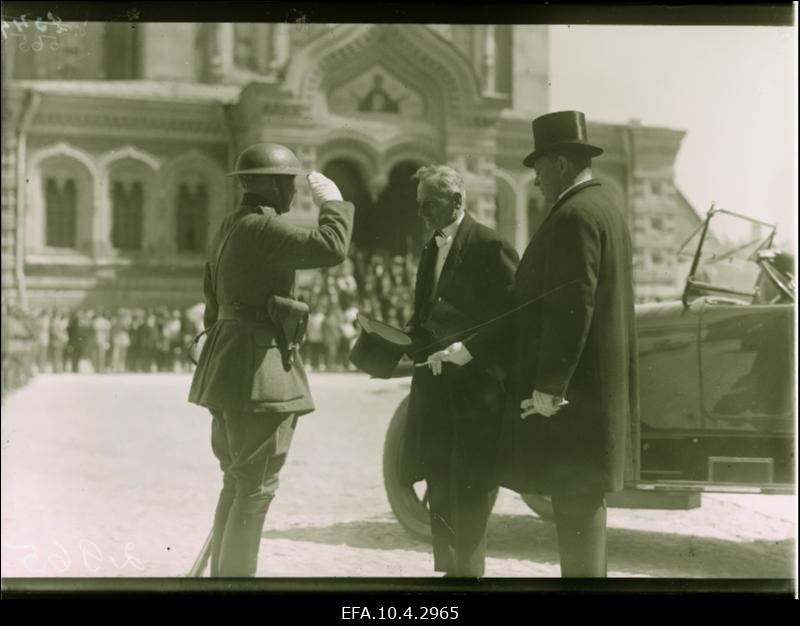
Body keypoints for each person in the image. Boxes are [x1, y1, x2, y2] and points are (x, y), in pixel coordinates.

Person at [429, 111, 640, 578]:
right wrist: (471, 349)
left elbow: (572, 306)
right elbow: (539, 303)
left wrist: (550, 387)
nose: (537, 178)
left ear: (561, 163)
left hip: (576, 397)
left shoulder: (574, 215)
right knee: (581, 505)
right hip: (594, 394)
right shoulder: (604, 207)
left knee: (576, 506)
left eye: (540, 167)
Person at [188, 143, 353, 577]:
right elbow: (332, 246)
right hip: (256, 374)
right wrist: (333, 204)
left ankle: (224, 578)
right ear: (275, 185)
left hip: (225, 367)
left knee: (238, 480)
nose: (294, 194)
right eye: (290, 185)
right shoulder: (263, 227)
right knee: (256, 487)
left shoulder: (228, 226)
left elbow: (211, 302)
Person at [404, 165, 518, 577]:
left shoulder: (491, 246)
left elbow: (514, 316)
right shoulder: (430, 249)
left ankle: (469, 574)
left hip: (477, 392)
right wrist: (394, 344)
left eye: (429, 205)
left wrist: (470, 350)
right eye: (418, 206)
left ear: (456, 201)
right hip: (435, 390)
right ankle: (451, 571)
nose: (422, 214)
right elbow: (423, 317)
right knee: (438, 481)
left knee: (471, 487)